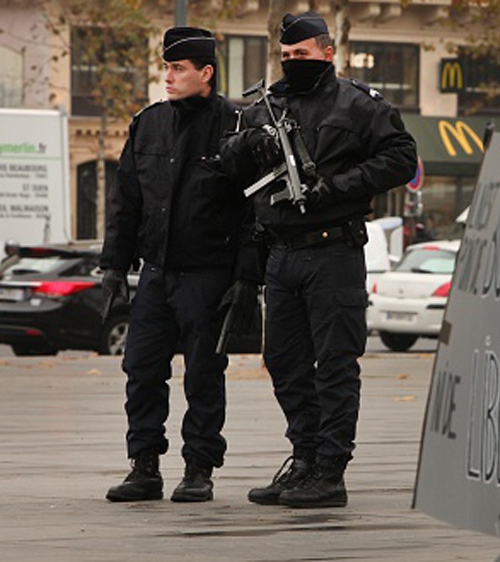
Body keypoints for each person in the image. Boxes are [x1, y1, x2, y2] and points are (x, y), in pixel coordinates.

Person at [220, 11, 416, 508]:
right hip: (281, 255)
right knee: (284, 362)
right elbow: (229, 167)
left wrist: (338, 187)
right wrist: (249, 142)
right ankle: (304, 458)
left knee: (334, 365)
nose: (293, 63)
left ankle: (331, 470)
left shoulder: (359, 104)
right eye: (286, 57)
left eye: (302, 55)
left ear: (328, 52)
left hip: (333, 250)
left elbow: (400, 157)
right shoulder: (265, 106)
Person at [100, 27, 260, 503]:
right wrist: (113, 265)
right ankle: (144, 466)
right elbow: (126, 200)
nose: (168, 77)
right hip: (156, 272)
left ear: (205, 72)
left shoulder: (236, 126)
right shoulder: (148, 124)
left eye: (178, 69)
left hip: (208, 274)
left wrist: (247, 278)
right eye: (166, 68)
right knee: (141, 370)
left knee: (203, 374)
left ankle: (198, 468)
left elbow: (253, 211)